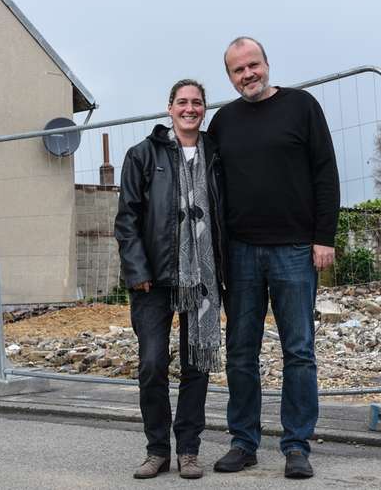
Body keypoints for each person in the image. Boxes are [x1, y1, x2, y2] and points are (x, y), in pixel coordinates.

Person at [207, 37, 340, 479]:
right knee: (240, 351)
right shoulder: (223, 121)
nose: (248, 74)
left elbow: (325, 171)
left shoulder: (302, 106)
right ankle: (243, 442)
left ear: (267, 63)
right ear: (229, 76)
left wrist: (325, 237)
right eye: (238, 70)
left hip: (295, 250)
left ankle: (297, 444)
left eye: (253, 64)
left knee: (298, 350)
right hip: (240, 253)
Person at [115, 79, 226, 480]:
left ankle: (190, 451)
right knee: (152, 364)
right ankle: (158, 449)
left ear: (204, 109)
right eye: (183, 102)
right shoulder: (143, 154)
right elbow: (127, 218)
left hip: (204, 278)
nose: (190, 108)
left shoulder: (217, 153)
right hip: (155, 280)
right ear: (169, 108)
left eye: (197, 102)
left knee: (197, 365)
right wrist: (137, 270)